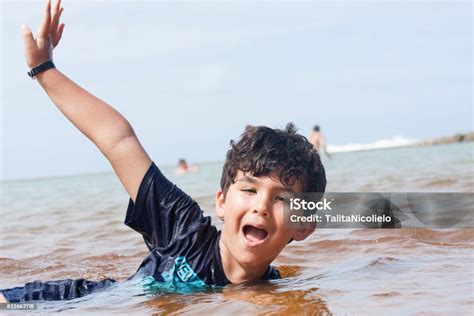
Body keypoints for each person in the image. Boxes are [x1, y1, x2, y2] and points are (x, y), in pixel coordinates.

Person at [0, 0, 326, 303]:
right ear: (222, 202)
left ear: (304, 226)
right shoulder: (183, 229)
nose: (262, 207)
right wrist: (44, 69)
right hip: (79, 302)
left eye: (282, 198)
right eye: (249, 190)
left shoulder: (276, 291)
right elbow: (118, 141)